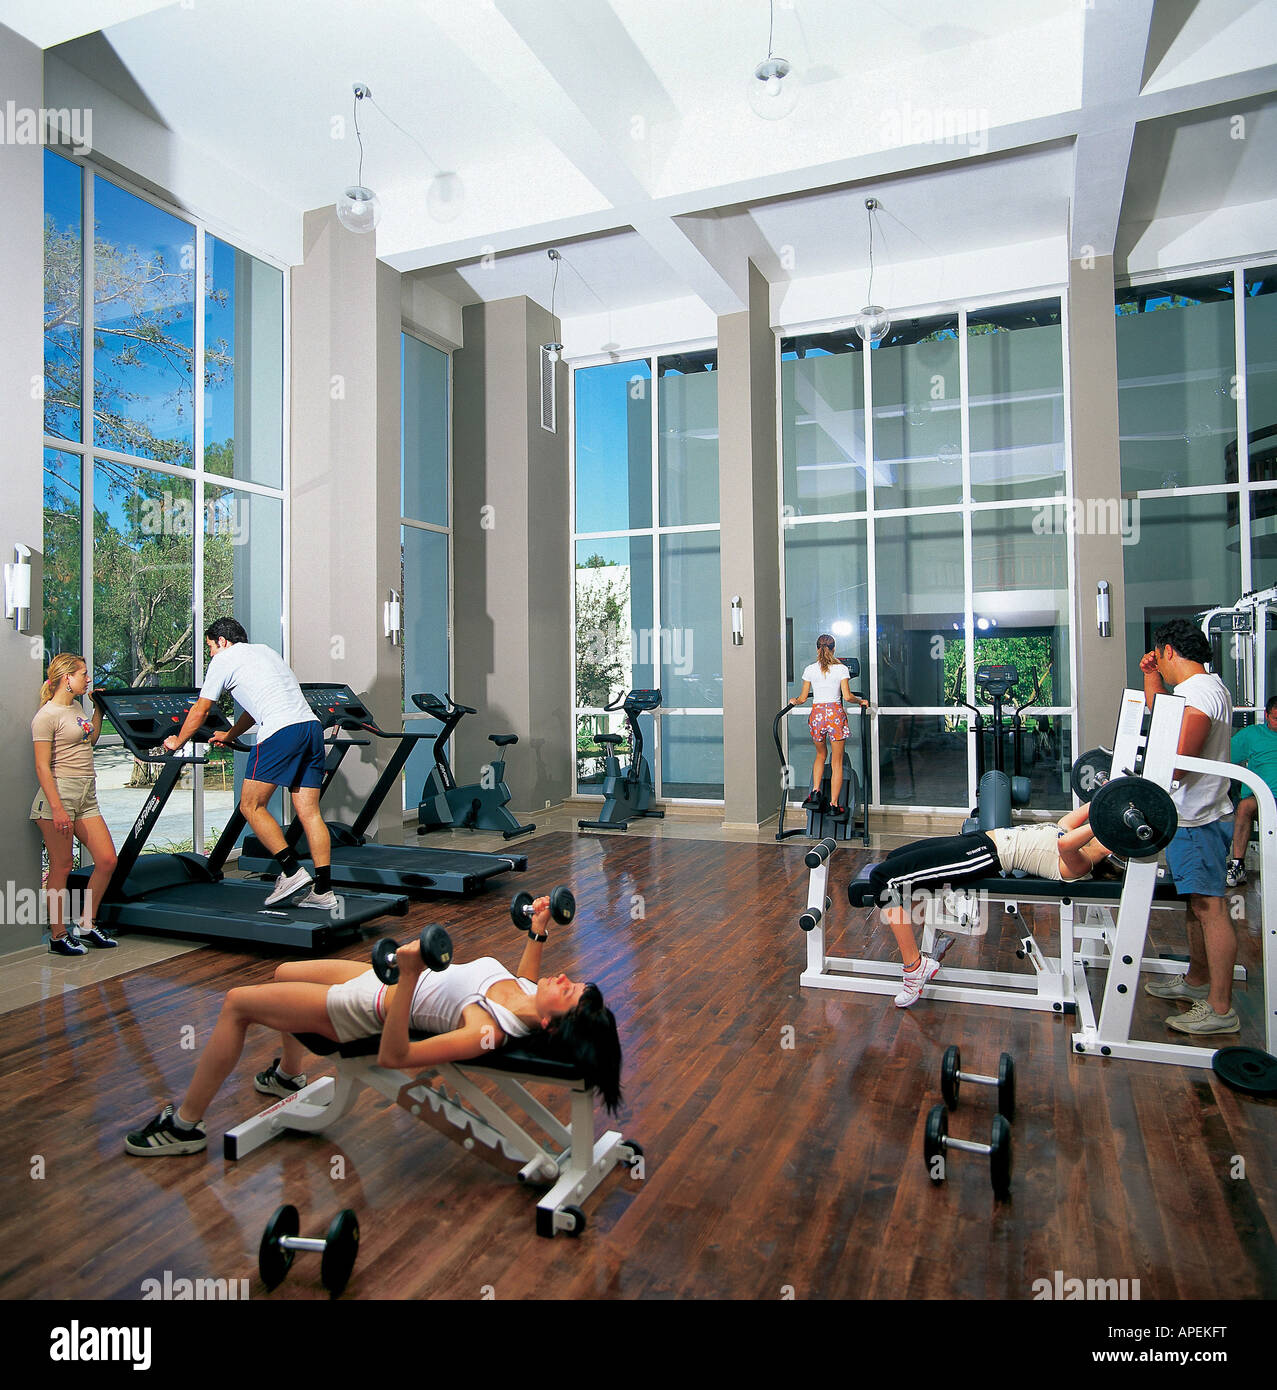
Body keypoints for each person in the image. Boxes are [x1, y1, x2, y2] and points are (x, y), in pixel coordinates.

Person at [123, 897, 623, 1155]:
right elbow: (525, 979)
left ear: (553, 1027)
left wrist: (408, 976)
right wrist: (537, 931)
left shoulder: (485, 1030)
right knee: (282, 973)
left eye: (569, 990)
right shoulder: (532, 998)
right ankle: (285, 1076)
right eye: (572, 981)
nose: (564, 977)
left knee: (237, 1002)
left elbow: (395, 1058)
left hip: (367, 1011)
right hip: (375, 982)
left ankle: (184, 1126)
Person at [162, 617, 333, 911]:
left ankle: (291, 871)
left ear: (223, 642)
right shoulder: (265, 652)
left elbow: (201, 709)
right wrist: (229, 734)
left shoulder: (224, 659)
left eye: (211, 648)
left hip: (281, 732)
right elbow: (254, 710)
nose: (211, 654)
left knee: (250, 806)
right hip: (311, 728)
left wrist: (177, 741)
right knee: (310, 813)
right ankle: (324, 890)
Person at [867, 805, 1113, 1008]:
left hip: (983, 856)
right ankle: (907, 918)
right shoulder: (1068, 830)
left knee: (883, 879)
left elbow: (1065, 845)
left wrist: (1105, 823)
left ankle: (914, 968)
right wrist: (1111, 797)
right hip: (981, 839)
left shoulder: (1081, 865)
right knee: (894, 859)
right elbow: (1090, 809)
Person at [1139, 619, 1239, 1035]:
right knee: (1195, 906)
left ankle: (1220, 1009)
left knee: (1211, 908)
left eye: (1158, 659)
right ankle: (1198, 981)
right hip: (1194, 814)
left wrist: (1148, 781)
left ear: (1168, 651)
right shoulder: (1201, 689)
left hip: (1198, 819)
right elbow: (1159, 716)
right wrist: (1148, 678)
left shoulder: (1198, 693)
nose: (1158, 666)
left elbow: (1180, 759)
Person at [30, 653, 118, 955]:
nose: (88, 678)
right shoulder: (46, 716)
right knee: (63, 865)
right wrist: (56, 808)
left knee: (107, 860)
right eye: (83, 674)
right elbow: (42, 767)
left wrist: (98, 710)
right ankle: (58, 934)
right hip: (59, 796)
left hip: (86, 796)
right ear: (67, 678)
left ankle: (86, 924)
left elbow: (89, 740)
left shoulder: (77, 706)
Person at [789, 634, 870, 821]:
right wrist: (861, 701)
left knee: (820, 755)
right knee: (837, 762)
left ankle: (815, 793)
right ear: (834, 649)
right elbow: (848, 696)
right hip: (834, 715)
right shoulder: (841, 669)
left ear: (817, 648)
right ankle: (834, 805)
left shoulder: (810, 669)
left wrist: (794, 701)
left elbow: (802, 698)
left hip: (817, 715)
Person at [1224, 695, 1277, 888]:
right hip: (1261, 798)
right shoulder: (1252, 734)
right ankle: (1238, 864)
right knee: (1245, 806)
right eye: (1276, 718)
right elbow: (1224, 757)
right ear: (1267, 715)